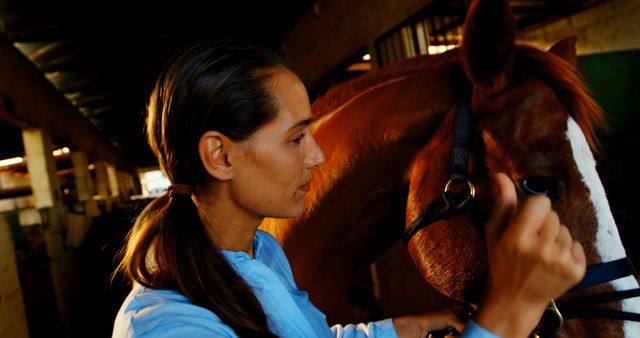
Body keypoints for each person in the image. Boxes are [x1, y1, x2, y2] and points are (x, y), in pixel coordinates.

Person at [112, 40, 586, 338]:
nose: (316, 156)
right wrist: (505, 316)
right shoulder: (167, 326)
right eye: (296, 138)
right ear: (221, 155)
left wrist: (392, 331)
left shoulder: (261, 251)